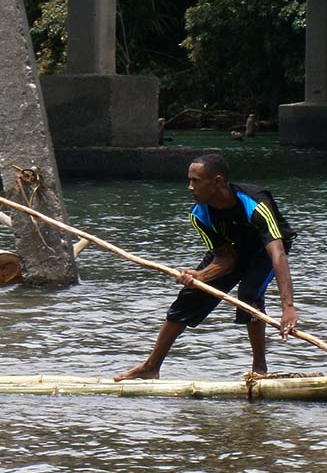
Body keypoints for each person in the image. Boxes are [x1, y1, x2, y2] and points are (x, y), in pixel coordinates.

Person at [114, 153, 298, 381]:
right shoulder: (199, 214)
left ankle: (259, 369)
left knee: (249, 297)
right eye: (189, 181)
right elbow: (226, 258)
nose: (190, 187)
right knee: (190, 295)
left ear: (218, 181)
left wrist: (288, 306)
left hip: (265, 251)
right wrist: (200, 276)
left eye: (196, 181)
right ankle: (151, 366)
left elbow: (277, 253)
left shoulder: (254, 203)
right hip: (233, 249)